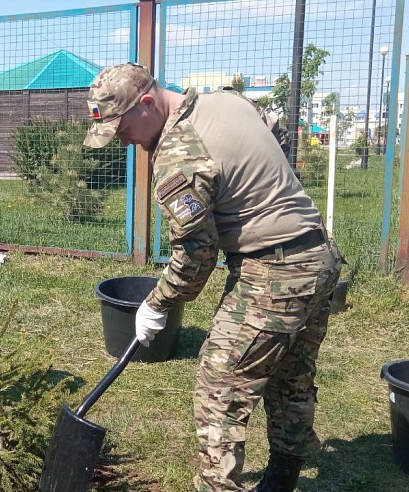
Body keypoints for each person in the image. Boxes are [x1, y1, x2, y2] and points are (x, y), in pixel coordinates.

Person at [84, 63, 342, 492]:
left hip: (275, 273)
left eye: (121, 127)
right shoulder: (226, 101)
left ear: (147, 103)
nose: (122, 140)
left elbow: (196, 257)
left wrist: (157, 303)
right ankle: (281, 480)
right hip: (319, 255)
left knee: (219, 387)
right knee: (290, 375)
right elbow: (276, 136)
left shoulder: (177, 154)